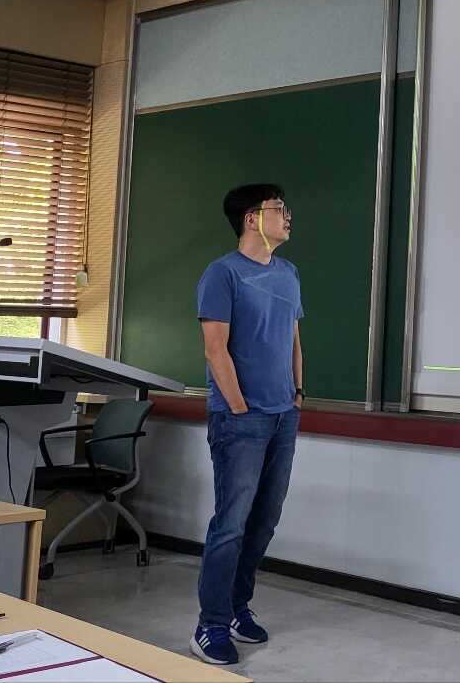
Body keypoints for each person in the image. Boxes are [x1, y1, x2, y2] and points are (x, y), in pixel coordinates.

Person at [190, 183, 304, 666]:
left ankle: (238, 608)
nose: (288, 216)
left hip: (283, 416)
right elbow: (215, 349)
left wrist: (297, 395)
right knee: (231, 525)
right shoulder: (223, 273)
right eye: (280, 208)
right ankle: (210, 625)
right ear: (252, 218)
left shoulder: (289, 273)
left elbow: (294, 339)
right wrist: (239, 407)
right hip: (241, 419)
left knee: (264, 521)